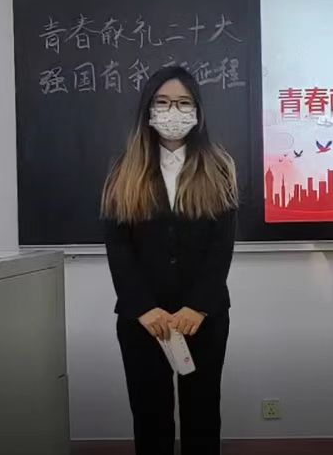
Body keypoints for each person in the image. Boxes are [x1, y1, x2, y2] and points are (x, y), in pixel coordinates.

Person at [101, 66, 239, 455]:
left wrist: (199, 306)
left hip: (203, 318)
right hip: (144, 321)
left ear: (197, 111)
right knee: (150, 419)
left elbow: (221, 247)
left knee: (202, 416)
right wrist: (144, 308)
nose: (172, 111)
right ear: (147, 110)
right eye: (162, 102)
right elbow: (118, 247)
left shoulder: (219, 167)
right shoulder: (124, 170)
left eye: (182, 103)